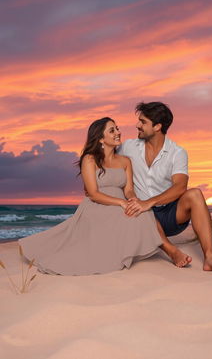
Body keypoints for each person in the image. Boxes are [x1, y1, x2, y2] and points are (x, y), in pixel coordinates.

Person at [18, 117, 163, 275]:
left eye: (117, 128)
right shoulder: (89, 159)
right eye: (112, 130)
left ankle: (126, 252)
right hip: (97, 205)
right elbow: (93, 193)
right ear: (101, 138)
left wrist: (132, 198)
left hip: (119, 202)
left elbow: (128, 189)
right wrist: (121, 202)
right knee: (122, 216)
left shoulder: (125, 161)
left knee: (142, 212)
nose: (118, 132)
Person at [118, 102, 212, 272]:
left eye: (143, 122)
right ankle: (172, 252)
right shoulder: (127, 147)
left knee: (195, 194)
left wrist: (149, 202)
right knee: (142, 210)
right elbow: (104, 158)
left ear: (157, 126)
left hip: (170, 214)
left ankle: (210, 257)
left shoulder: (177, 152)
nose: (137, 125)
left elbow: (180, 187)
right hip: (141, 217)